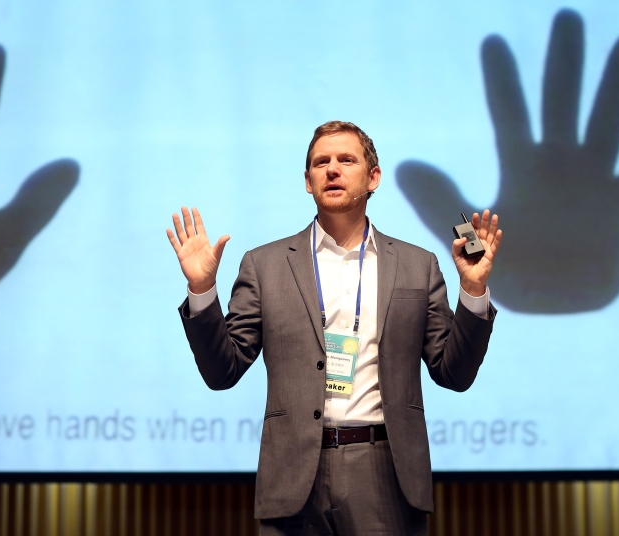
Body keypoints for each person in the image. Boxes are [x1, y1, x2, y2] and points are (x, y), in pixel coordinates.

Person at [166, 121, 502, 535]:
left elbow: (454, 374)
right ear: (308, 181)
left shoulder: (418, 265)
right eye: (321, 162)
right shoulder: (264, 265)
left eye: (346, 160)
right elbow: (222, 371)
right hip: (293, 474)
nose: (332, 169)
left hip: (384, 471)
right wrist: (202, 289)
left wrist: (473, 289)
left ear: (373, 177)